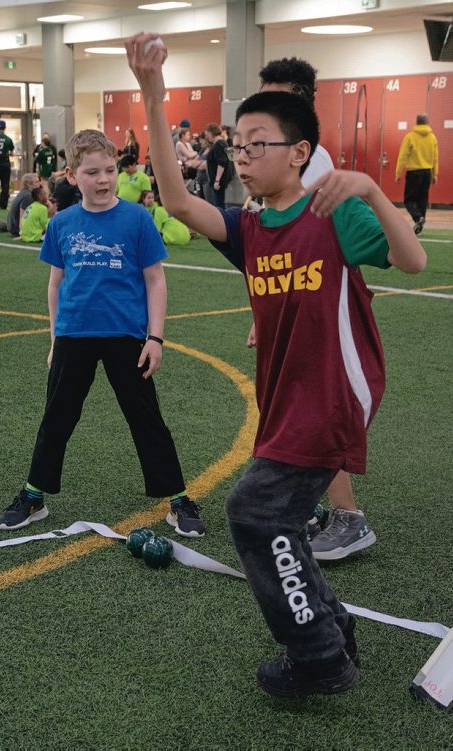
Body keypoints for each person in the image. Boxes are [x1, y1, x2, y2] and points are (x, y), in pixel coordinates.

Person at [126, 33, 426, 699]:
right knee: (272, 517)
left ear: (298, 152)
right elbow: (177, 202)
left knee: (255, 513)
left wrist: (373, 190)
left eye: (255, 141)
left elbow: (413, 262)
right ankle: (332, 629)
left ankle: (318, 654)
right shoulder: (254, 228)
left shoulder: (333, 212)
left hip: (331, 396)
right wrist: (151, 90)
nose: (241, 154)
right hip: (287, 397)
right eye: (237, 142)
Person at [0, 128, 205, 540]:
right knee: (57, 417)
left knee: (146, 418)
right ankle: (34, 494)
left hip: (126, 336)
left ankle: (178, 499)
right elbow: (56, 285)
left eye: (109, 170)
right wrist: (55, 338)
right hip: (74, 335)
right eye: (92, 172)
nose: (104, 179)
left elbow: (155, 281)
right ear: (73, 175)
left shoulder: (137, 218)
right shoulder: (63, 223)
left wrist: (155, 337)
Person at [249, 55, 376, 561]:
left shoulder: (314, 165)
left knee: (316, 413)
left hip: (322, 310)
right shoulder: (274, 157)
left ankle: (349, 518)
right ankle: (310, 504)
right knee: (293, 407)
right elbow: (270, 244)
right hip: (293, 303)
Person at [395, 113, 439, 235]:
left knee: (409, 200)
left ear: (416, 122)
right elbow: (435, 157)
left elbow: (403, 155)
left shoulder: (410, 137)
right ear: (427, 122)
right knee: (422, 200)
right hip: (427, 173)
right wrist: (435, 174)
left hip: (414, 172)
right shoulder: (432, 137)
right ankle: (420, 223)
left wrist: (398, 172)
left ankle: (417, 218)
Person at [204, 123, 234, 209]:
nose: (206, 137)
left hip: (219, 182)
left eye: (207, 134)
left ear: (212, 132)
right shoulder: (220, 143)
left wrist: (217, 181)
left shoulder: (219, 144)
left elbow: (221, 163)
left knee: (219, 206)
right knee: (219, 204)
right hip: (219, 181)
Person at [6, 172, 41, 238]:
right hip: (16, 228)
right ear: (29, 184)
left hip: (12, 225)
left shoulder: (23, 193)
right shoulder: (28, 196)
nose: (39, 184)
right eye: (36, 182)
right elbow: (23, 215)